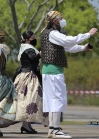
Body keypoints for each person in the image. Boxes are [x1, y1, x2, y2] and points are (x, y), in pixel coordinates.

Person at [40, 10, 98, 139]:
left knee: (52, 100)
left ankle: (52, 129)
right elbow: (68, 41)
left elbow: (67, 47)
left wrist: (83, 48)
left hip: (49, 70)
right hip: (54, 71)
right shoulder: (54, 33)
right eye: (61, 18)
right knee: (57, 99)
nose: (62, 20)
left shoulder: (48, 33)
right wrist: (88, 34)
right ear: (55, 21)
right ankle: (55, 130)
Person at [13, 30, 48, 134]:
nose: (34, 38)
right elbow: (33, 58)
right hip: (29, 77)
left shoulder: (26, 47)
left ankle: (26, 125)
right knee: (29, 100)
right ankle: (26, 125)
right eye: (33, 37)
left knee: (28, 100)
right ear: (27, 39)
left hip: (26, 75)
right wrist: (41, 54)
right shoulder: (28, 48)